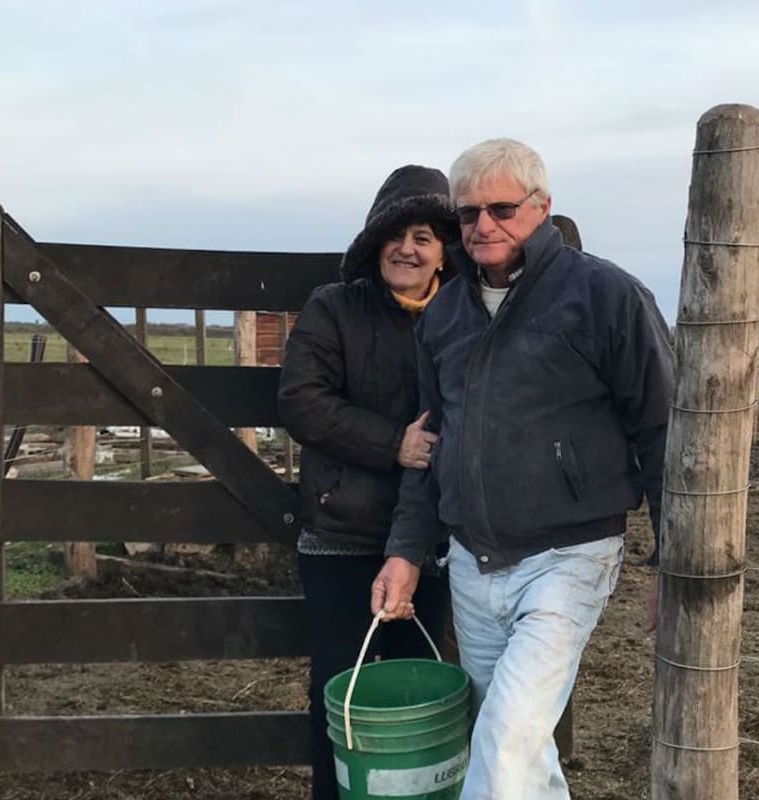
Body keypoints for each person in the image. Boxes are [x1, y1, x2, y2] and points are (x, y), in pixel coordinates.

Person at [370, 139, 674, 799]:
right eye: (468, 213)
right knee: (516, 748)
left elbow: (662, 428)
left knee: (506, 740)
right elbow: (433, 443)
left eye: (502, 208)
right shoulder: (445, 315)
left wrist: (669, 557)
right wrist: (405, 552)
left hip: (570, 553)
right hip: (473, 561)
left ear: (541, 207)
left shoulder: (604, 295)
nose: (483, 226)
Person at [277, 164, 457, 800]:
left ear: (443, 250)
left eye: (424, 236)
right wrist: (393, 444)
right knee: (341, 690)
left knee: (422, 688)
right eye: (395, 234)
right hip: (342, 533)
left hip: (434, 539)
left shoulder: (464, 315)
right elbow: (300, 400)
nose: (407, 249)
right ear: (374, 240)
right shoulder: (335, 307)